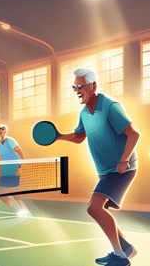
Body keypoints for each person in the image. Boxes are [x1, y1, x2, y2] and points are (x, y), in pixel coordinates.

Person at [55, 68, 139, 266]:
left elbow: (134, 134)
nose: (77, 90)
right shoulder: (84, 113)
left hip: (121, 169)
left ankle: (120, 257)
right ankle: (126, 249)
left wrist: (124, 159)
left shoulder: (109, 106)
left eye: (81, 86)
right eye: (74, 87)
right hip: (105, 172)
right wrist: (58, 136)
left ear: (93, 86)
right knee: (98, 210)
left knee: (94, 208)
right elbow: (79, 137)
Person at [0, 124, 30, 217]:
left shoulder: (10, 140)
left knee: (13, 193)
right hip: (5, 170)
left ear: (5, 131)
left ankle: (24, 211)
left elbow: (21, 153)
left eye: (2, 129)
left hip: (13, 168)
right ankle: (17, 209)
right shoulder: (0, 143)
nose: (0, 131)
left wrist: (20, 164)